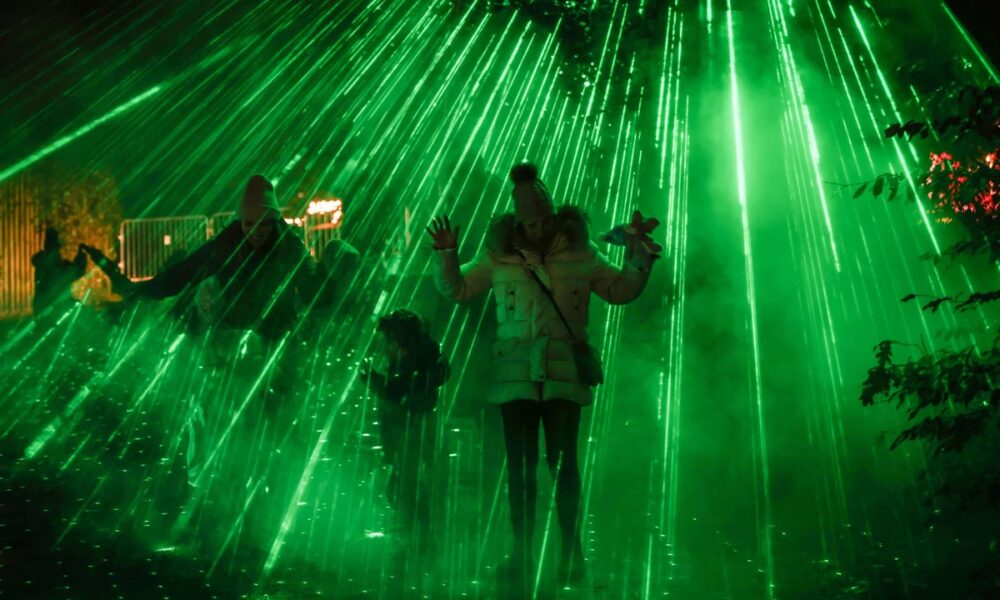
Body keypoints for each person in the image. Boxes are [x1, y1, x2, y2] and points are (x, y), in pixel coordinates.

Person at [426, 162, 660, 588]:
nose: (536, 230)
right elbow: (459, 290)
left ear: (553, 217)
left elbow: (619, 290)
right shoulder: (497, 254)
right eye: (529, 222)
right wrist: (446, 257)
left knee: (563, 463)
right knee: (520, 466)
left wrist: (639, 259)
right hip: (515, 374)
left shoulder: (580, 252)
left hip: (563, 376)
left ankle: (571, 551)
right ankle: (523, 552)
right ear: (518, 220)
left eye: (542, 221)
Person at [360, 309, 449, 558]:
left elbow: (407, 396)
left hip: (415, 440)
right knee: (402, 489)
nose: (385, 348)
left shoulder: (422, 366)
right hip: (406, 443)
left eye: (390, 342)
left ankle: (418, 542)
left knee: (406, 490)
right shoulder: (405, 365)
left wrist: (380, 385)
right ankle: (416, 540)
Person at [31, 227, 86, 323]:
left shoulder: (44, 263)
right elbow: (72, 273)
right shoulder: (51, 265)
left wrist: (80, 259)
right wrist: (80, 260)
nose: (58, 253)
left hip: (46, 308)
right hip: (52, 309)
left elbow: (73, 272)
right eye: (56, 250)